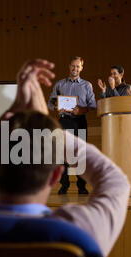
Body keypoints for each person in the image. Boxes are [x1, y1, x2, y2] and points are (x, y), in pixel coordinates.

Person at [0, 59, 131, 257]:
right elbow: (116, 182)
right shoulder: (78, 233)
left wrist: (14, 110)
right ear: (56, 174)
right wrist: (46, 124)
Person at [47, 56, 97, 195]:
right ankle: (64, 185)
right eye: (73, 66)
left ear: (81, 68)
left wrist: (82, 109)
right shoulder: (60, 84)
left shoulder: (87, 85)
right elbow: (50, 103)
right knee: (63, 154)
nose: (75, 69)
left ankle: (82, 186)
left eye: (78, 66)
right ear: (69, 66)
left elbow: (93, 105)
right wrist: (56, 107)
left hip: (80, 122)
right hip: (64, 121)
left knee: (80, 154)